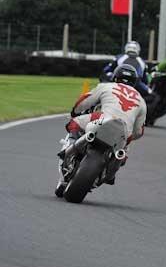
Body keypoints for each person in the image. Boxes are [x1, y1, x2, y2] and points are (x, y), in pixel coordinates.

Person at [56, 64, 147, 195]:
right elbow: (139, 131)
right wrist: (130, 135)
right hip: (124, 131)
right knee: (124, 152)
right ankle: (111, 171)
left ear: (115, 77)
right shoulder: (141, 101)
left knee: (74, 122)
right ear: (135, 82)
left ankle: (68, 149)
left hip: (102, 119)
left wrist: (75, 111)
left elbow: (85, 101)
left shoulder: (106, 86)